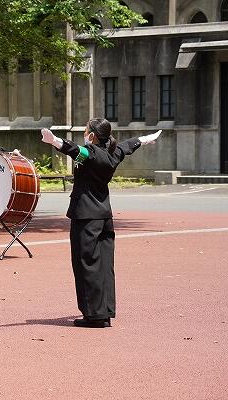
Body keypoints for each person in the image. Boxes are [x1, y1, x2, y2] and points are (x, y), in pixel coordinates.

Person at [41, 119, 161, 328]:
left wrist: (55, 141)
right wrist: (144, 139)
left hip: (86, 217)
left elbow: (74, 149)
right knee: (105, 265)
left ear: (93, 136)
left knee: (86, 263)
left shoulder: (91, 154)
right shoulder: (112, 153)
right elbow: (127, 147)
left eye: (86, 131)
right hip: (104, 216)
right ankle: (104, 311)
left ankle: (93, 315)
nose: (84, 133)